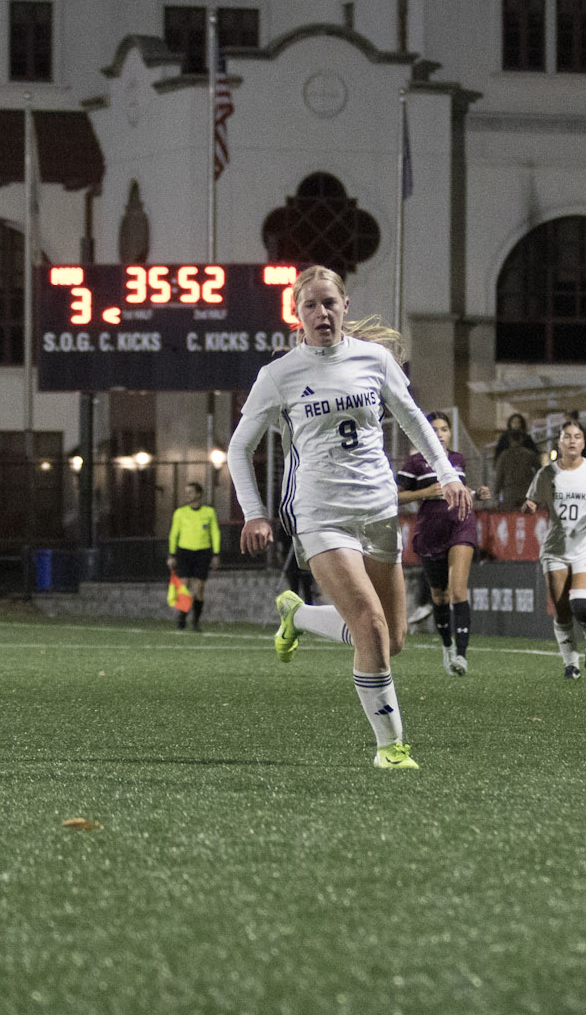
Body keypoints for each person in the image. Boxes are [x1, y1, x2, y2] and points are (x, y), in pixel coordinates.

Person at [226, 264, 470, 769]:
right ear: (296, 314)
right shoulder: (279, 375)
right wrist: (254, 513)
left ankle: (298, 615)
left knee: (392, 640)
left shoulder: (374, 359)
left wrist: (448, 475)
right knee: (370, 625)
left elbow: (413, 420)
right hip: (320, 515)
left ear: (345, 306)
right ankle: (391, 747)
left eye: (329, 302)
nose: (321, 312)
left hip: (378, 510)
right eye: (310, 305)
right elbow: (238, 448)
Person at [398, 411, 489, 675]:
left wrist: (476, 494)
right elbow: (394, 496)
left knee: (458, 591)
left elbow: (459, 489)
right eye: (434, 429)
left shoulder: (457, 460)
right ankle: (447, 646)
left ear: (450, 433)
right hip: (430, 531)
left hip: (460, 524)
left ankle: (461, 656)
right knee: (439, 595)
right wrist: (424, 493)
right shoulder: (415, 463)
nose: (439, 434)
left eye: (444, 429)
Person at [523, 418, 586, 679]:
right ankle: (570, 664)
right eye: (567, 436)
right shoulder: (547, 474)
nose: (572, 440)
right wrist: (529, 507)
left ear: (583, 443)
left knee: (582, 605)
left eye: (577, 436)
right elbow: (531, 502)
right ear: (559, 442)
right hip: (555, 548)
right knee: (562, 609)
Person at [167, 481, 221, 632]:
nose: (188, 494)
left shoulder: (209, 512)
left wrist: (216, 554)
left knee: (199, 589)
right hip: (184, 552)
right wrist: (171, 554)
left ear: (198, 494)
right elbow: (174, 534)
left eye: (190, 492)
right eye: (186, 492)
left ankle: (196, 622)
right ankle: (182, 616)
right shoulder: (180, 513)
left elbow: (215, 533)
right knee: (184, 585)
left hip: (203, 552)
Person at [490, 419, 540, 514]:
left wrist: (496, 495)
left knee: (511, 523)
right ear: (521, 439)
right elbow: (539, 472)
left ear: (510, 440)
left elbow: (499, 477)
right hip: (526, 494)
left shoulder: (504, 455)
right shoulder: (530, 455)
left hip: (509, 495)